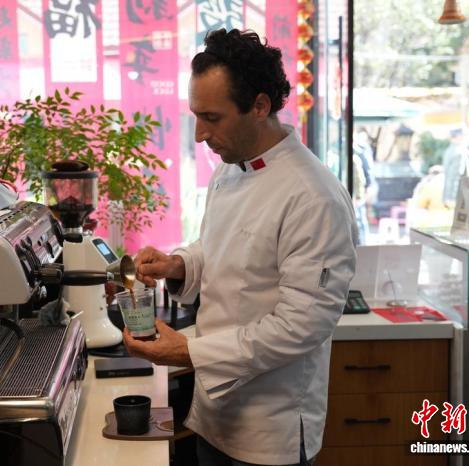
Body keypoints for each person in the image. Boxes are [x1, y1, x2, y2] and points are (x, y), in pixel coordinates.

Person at [123, 29, 357, 466]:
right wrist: (178, 265)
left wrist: (188, 351)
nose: (199, 134)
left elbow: (301, 326)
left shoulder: (313, 196)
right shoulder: (230, 171)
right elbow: (218, 247)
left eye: (212, 118)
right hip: (215, 413)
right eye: (196, 116)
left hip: (270, 426)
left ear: (260, 106)